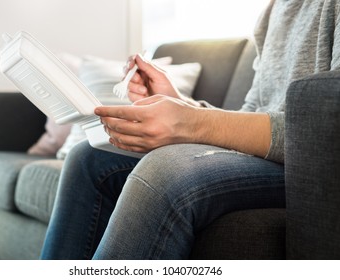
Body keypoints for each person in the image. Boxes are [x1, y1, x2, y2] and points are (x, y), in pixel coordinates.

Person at [40, 0, 340, 259]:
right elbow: (253, 115)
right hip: (266, 155)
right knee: (89, 156)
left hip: (310, 171)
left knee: (168, 169)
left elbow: (326, 129)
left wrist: (192, 123)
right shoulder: (275, 9)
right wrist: (179, 103)